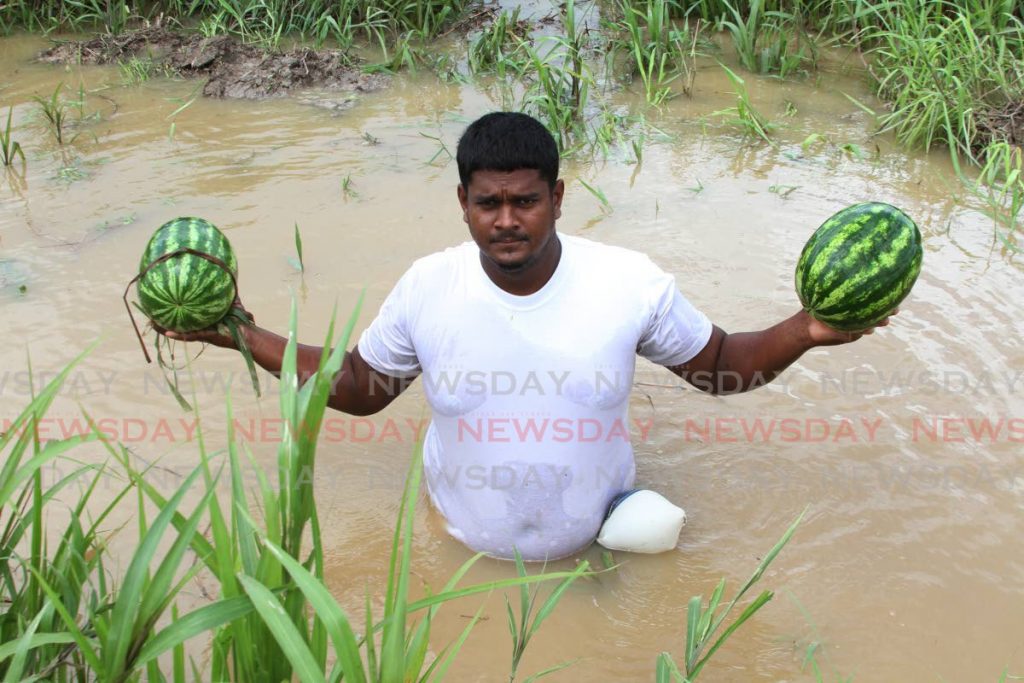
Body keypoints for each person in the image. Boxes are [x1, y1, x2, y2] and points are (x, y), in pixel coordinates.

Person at [160, 111, 892, 561]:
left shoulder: (628, 281)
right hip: (458, 549)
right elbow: (358, 388)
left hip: (601, 541)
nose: (506, 220)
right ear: (463, 203)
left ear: (557, 198)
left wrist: (807, 329)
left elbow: (722, 366)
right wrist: (238, 333)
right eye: (488, 203)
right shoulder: (428, 286)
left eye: (525, 201)